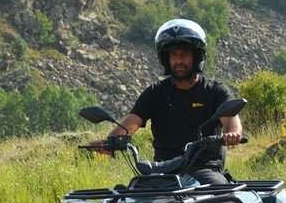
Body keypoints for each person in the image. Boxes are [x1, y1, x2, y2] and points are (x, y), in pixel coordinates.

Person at [97, 18, 243, 184]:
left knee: (220, 196)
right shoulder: (155, 93)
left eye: (184, 54)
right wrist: (109, 142)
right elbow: (129, 124)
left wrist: (232, 134)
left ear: (196, 56)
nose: (179, 60)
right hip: (162, 170)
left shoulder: (214, 91)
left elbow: (232, 121)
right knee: (133, 198)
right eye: (173, 55)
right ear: (166, 59)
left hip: (203, 168)